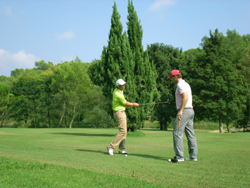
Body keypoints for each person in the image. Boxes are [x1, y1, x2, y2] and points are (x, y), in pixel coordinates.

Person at [168, 69, 198, 162]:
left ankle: (179, 156)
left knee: (177, 133)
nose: (171, 80)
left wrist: (180, 111)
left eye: (171, 78)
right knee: (190, 134)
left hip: (184, 111)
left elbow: (185, 97)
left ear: (175, 77)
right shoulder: (186, 84)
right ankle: (193, 156)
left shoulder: (180, 85)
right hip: (190, 110)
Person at [107, 79, 139, 155]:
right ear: (118, 86)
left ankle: (121, 149)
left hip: (122, 112)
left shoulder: (120, 90)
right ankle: (111, 147)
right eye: (122, 85)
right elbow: (126, 104)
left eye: (124, 84)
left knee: (124, 131)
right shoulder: (117, 94)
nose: (124, 86)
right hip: (118, 113)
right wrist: (134, 104)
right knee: (123, 131)